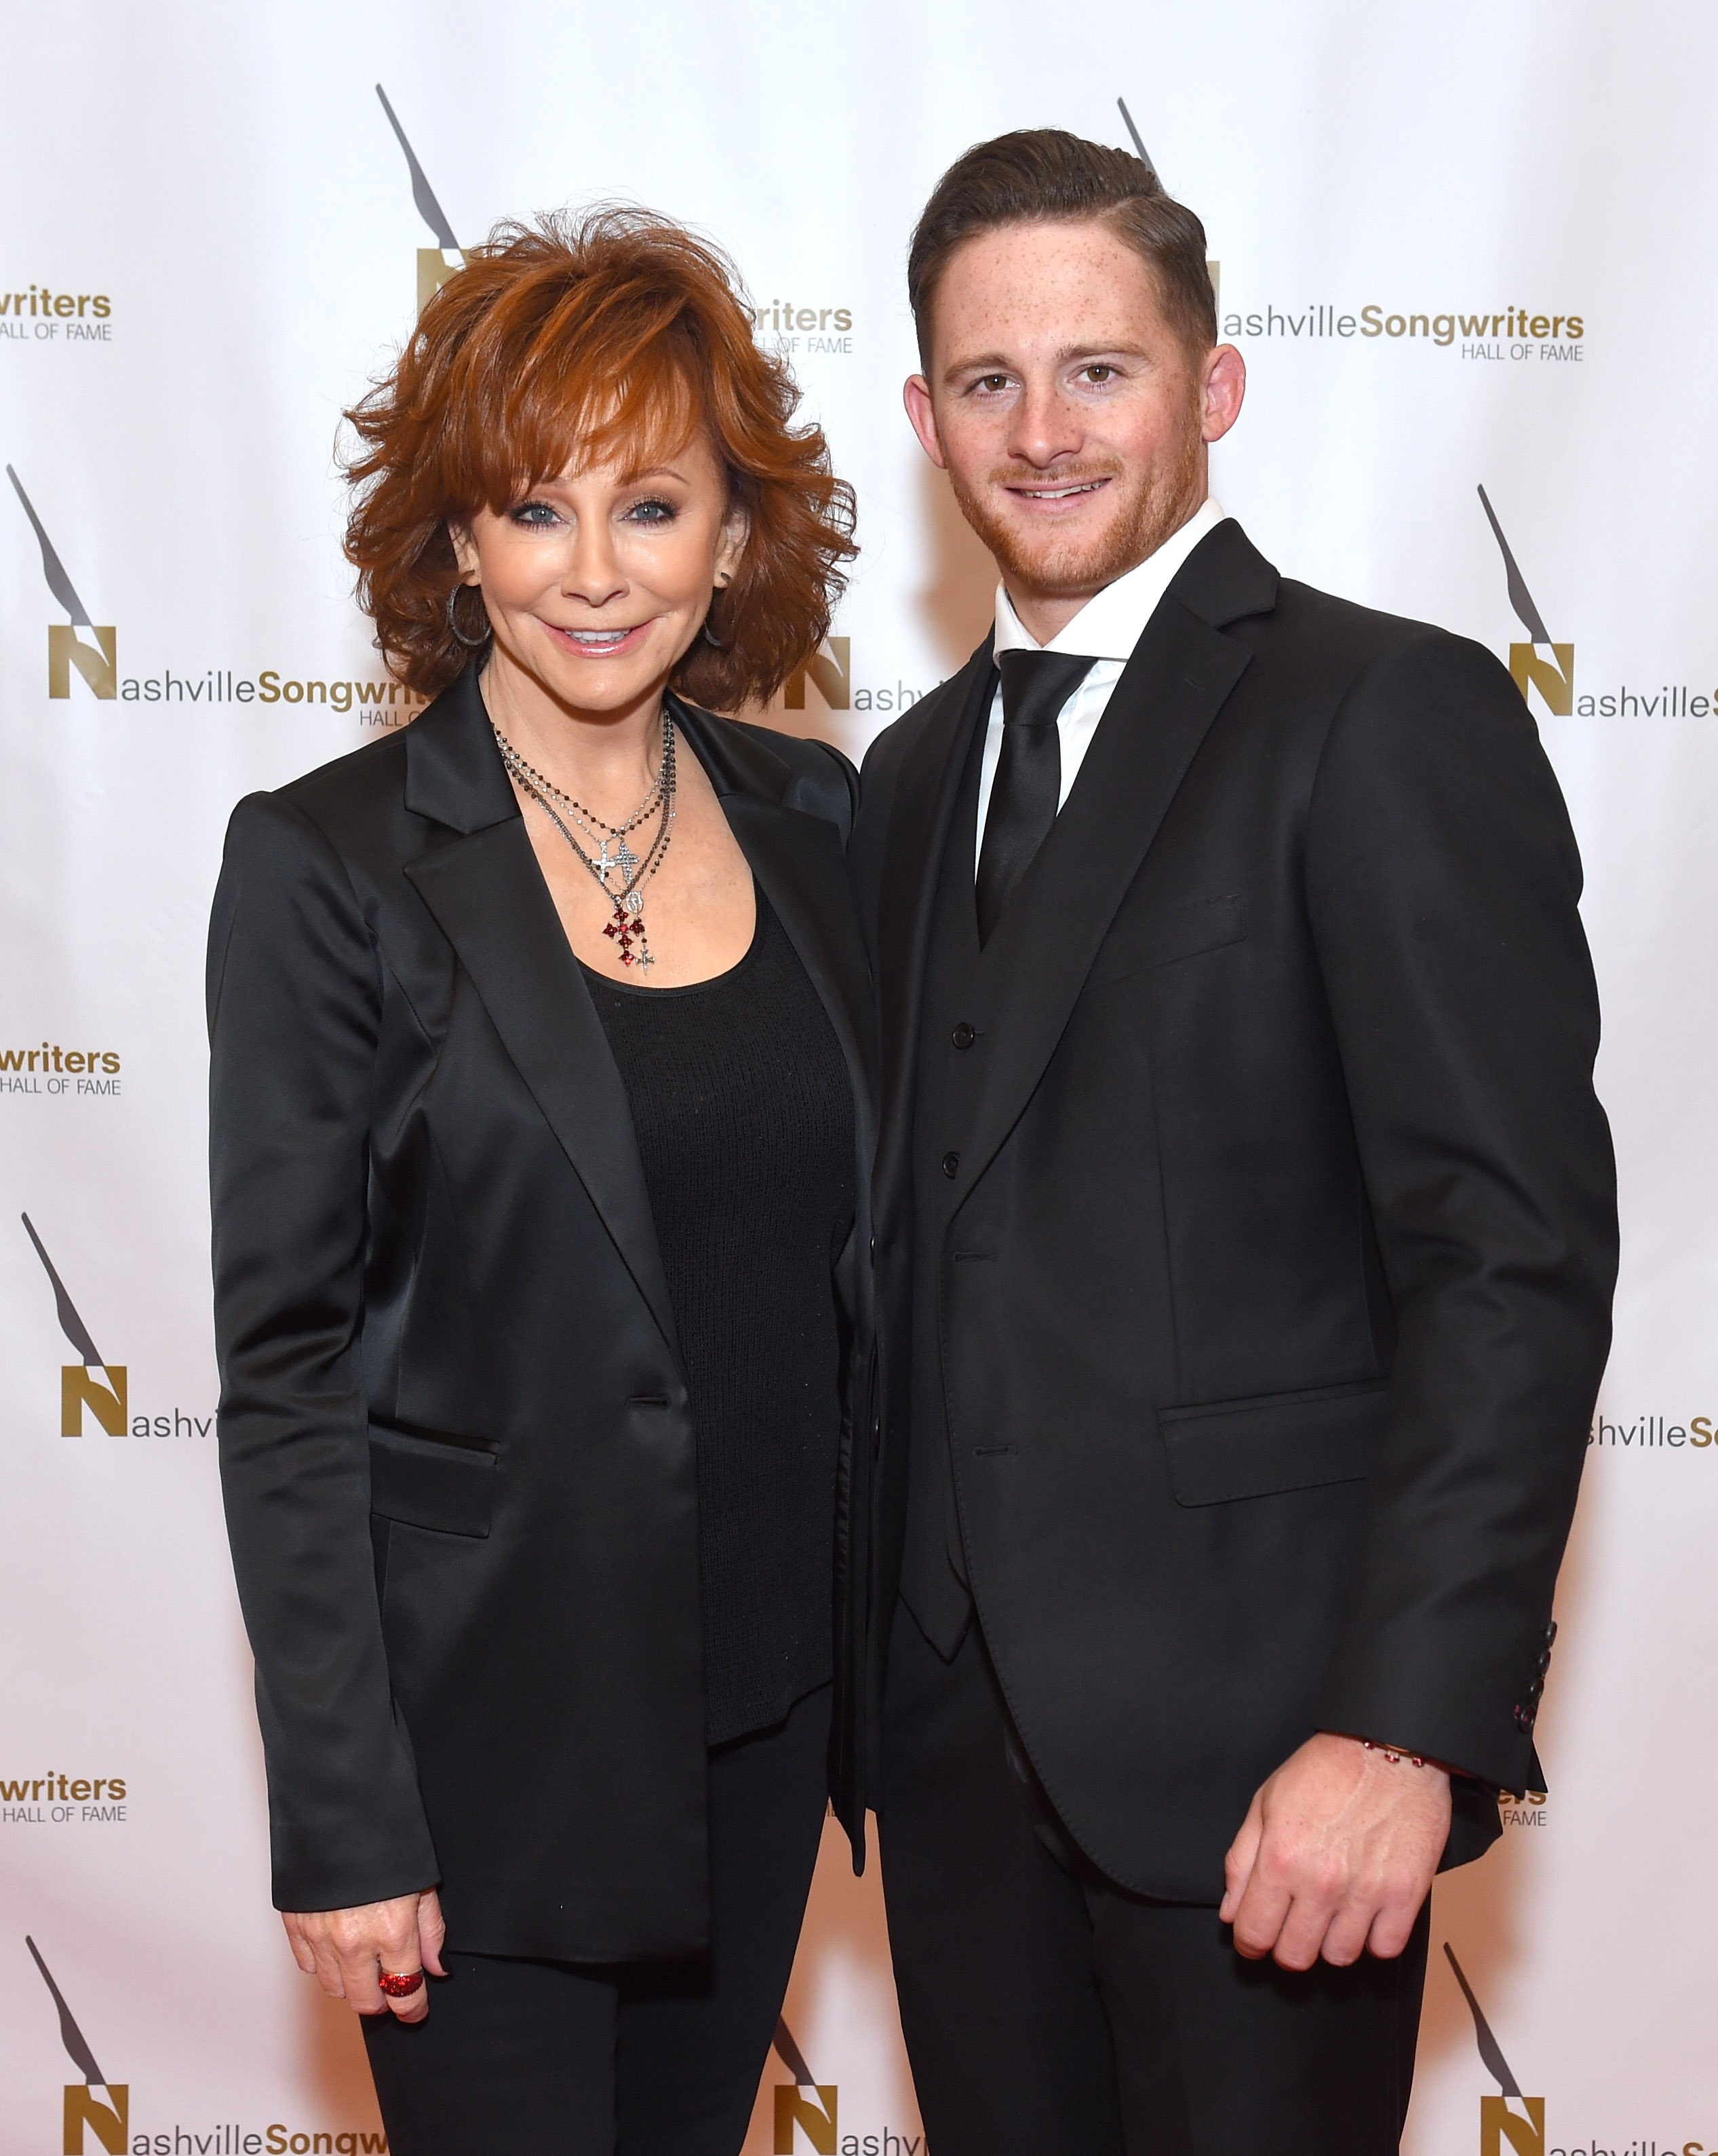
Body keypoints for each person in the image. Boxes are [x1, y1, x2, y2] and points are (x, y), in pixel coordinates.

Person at [848, 131, 1618, 2156]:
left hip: (1274, 1776)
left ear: (1214, 386)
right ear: (924, 415)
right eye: (989, 383)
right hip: (946, 1771)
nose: (1044, 429)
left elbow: (1508, 1255)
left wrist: (1404, 1725)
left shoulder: (1385, 714)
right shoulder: (907, 778)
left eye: (1099, 368)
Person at [207, 210, 874, 2155]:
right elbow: (289, 1367)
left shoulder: (819, 824)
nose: (595, 572)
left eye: (652, 505)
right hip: (483, 1775)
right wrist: (345, 1818)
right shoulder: (329, 867)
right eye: (533, 507)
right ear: (456, 542)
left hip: (763, 1735)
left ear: (734, 537)